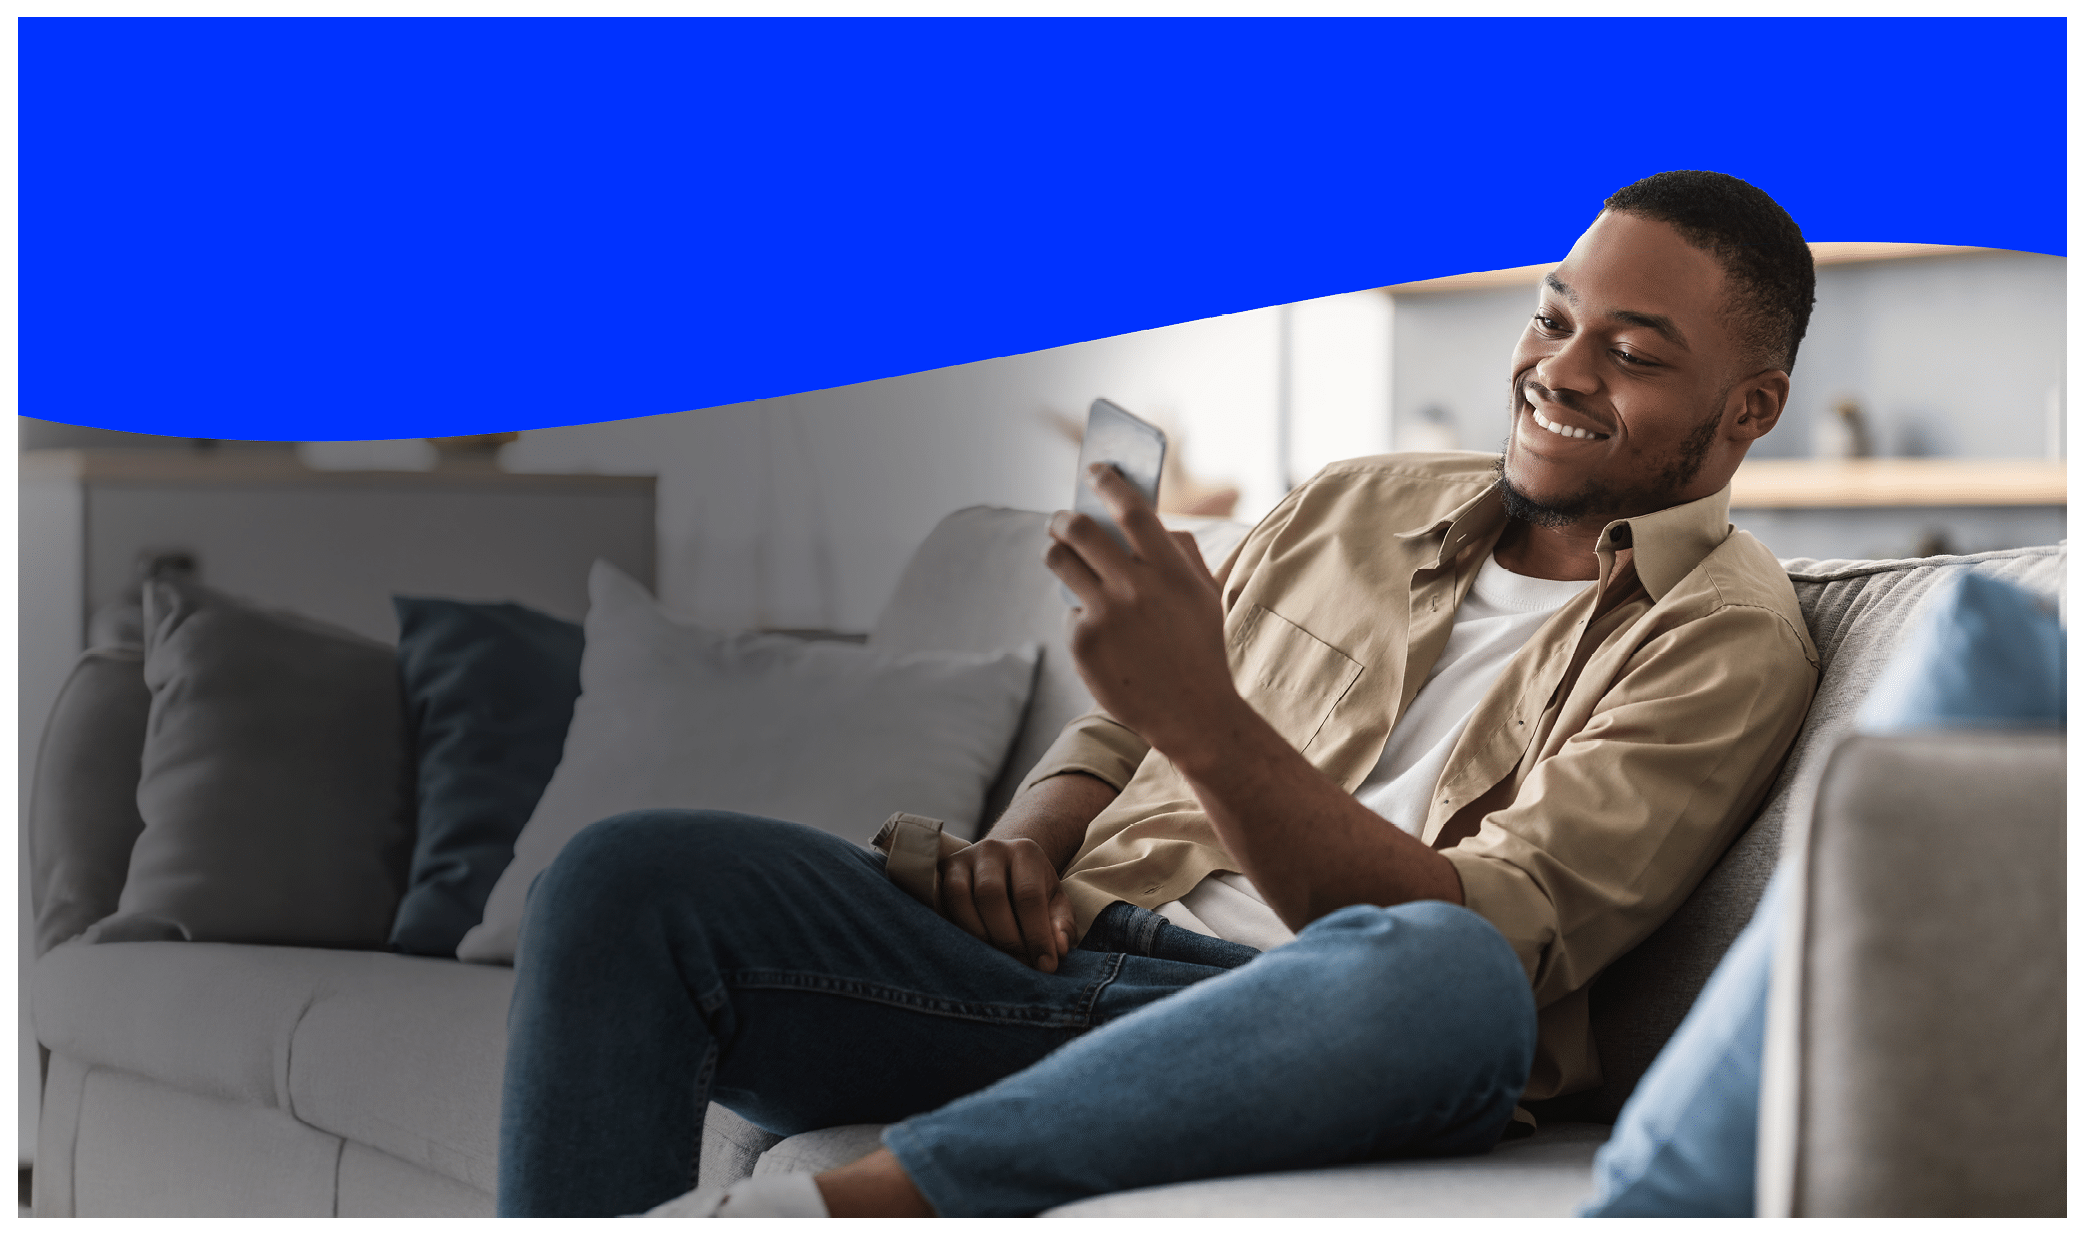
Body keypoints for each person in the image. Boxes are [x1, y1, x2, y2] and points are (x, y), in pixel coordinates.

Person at [496, 169, 1821, 1218]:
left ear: (1750, 407)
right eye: (1552, 316)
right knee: (626, 877)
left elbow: (1493, 937)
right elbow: (1130, 716)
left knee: (1454, 977)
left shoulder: (1724, 637)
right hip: (1063, 958)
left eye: (1634, 353)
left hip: (1324, 1031)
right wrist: (1027, 842)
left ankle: (846, 1208)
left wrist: (1209, 724)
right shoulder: (1353, 503)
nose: (1561, 370)